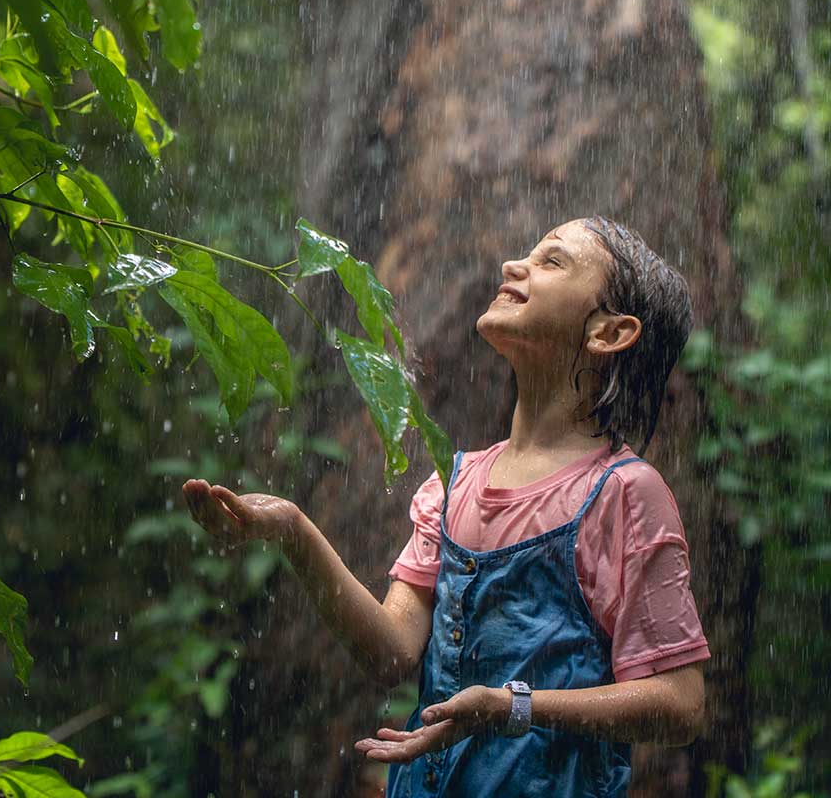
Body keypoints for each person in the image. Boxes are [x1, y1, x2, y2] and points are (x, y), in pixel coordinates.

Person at [183, 216, 709, 797]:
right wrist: (292, 530)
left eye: (552, 261)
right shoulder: (452, 483)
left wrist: (513, 706)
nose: (515, 266)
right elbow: (391, 654)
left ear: (609, 333)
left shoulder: (624, 495)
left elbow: (679, 704)